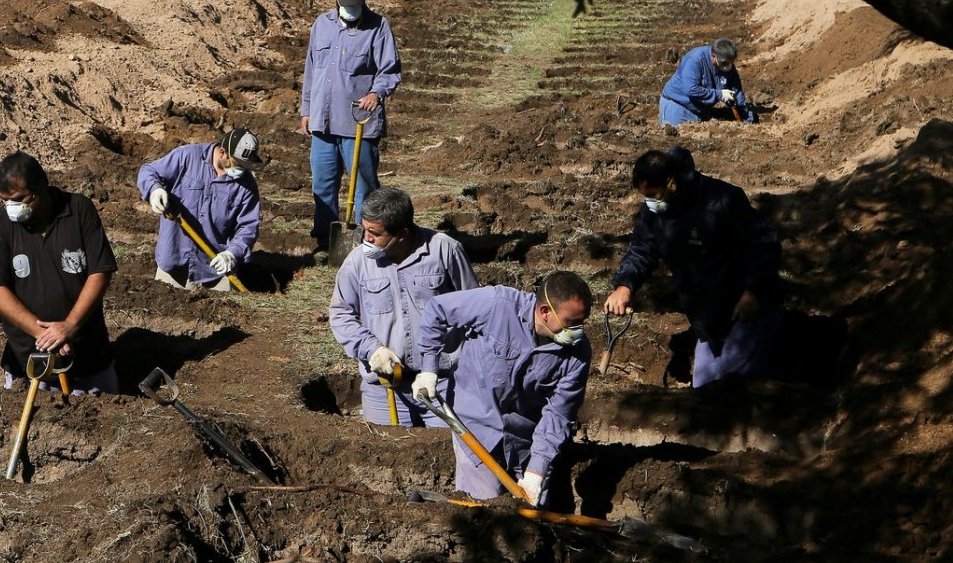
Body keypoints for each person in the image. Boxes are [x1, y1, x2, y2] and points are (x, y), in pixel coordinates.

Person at [605, 147, 782, 387]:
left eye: (654, 194)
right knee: (704, 389)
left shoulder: (722, 200)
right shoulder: (655, 212)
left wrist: (753, 291)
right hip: (708, 321)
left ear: (672, 183)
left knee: (734, 392)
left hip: (745, 311)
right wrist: (625, 285)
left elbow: (763, 241)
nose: (650, 203)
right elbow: (643, 249)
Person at [413, 271, 593, 505]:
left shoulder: (578, 354)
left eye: (582, 323)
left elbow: (558, 415)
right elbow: (437, 309)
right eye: (571, 323)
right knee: (485, 510)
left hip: (526, 440)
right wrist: (429, 369)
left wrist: (535, 473)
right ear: (545, 312)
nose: (577, 331)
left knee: (533, 515)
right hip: (475, 428)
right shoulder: (498, 305)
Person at [329, 187, 479, 427]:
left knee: (447, 454)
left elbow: (474, 310)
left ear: (401, 233)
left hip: (441, 384)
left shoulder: (445, 251)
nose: (366, 238)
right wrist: (371, 349)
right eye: (364, 229)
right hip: (385, 387)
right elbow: (340, 314)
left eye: (374, 233)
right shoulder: (357, 263)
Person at [0, 151, 119, 394]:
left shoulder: (79, 210)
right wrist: (44, 334)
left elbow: (100, 271)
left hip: (89, 354)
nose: (13, 209)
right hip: (31, 362)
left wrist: (69, 325)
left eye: (21, 199)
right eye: (7, 201)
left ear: (43, 184)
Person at [300, 0, 402, 262]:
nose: (351, 6)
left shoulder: (378, 27)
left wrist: (376, 94)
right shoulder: (322, 25)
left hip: (359, 121)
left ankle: (365, 241)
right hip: (323, 121)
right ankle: (324, 242)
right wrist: (307, 110)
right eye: (346, 0)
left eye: (356, 1)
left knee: (365, 186)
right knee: (322, 184)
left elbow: (390, 71)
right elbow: (311, 70)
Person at [137, 127, 264, 291]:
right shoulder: (187, 157)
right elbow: (149, 170)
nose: (240, 170)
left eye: (244, 165)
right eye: (237, 164)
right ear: (223, 152)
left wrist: (232, 253)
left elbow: (248, 227)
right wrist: (154, 190)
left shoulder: (247, 185)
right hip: (174, 263)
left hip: (215, 271)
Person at [659, 38, 758, 125]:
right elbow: (691, 90)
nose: (728, 66)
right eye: (724, 63)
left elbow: (737, 91)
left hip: (701, 110)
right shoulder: (695, 60)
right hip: (678, 106)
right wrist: (719, 94)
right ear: (713, 56)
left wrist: (745, 117)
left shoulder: (727, 64)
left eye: (730, 63)